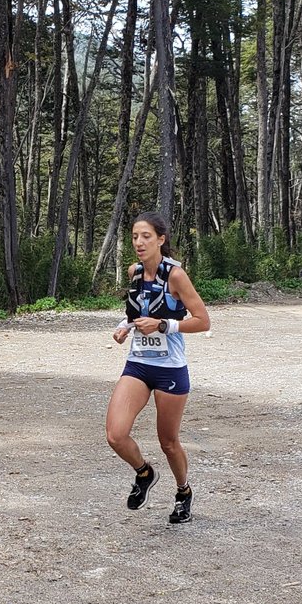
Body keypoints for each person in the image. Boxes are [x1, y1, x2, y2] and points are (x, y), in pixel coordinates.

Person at [106, 212, 209, 524]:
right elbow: (138, 312)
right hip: (138, 364)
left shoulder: (175, 276)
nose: (139, 242)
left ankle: (183, 492)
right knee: (115, 435)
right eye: (135, 237)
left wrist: (164, 325)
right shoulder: (134, 272)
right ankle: (144, 473)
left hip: (170, 369)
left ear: (161, 240)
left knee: (168, 442)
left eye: (146, 236)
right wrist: (124, 327)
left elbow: (203, 321)